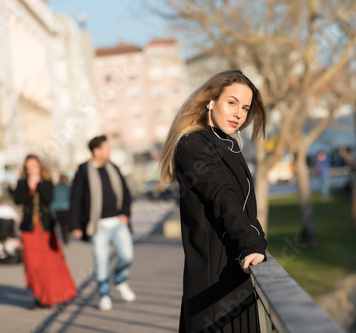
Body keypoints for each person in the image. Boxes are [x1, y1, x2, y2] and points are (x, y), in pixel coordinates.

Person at [159, 70, 268, 332]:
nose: (239, 114)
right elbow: (222, 196)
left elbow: (242, 206)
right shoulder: (193, 144)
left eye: (245, 107)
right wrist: (251, 243)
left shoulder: (226, 144)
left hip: (236, 272)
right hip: (213, 281)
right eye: (231, 103)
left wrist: (254, 242)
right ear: (210, 101)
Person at [69, 135, 135, 311]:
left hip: (118, 221)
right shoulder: (83, 171)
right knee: (101, 261)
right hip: (98, 225)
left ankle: (120, 281)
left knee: (127, 256)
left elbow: (126, 193)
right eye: (106, 148)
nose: (109, 151)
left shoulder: (113, 167)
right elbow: (76, 199)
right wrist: (75, 225)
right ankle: (104, 294)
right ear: (96, 151)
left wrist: (125, 214)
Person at [14, 155, 77, 308]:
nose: (31, 170)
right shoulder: (22, 182)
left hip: (45, 228)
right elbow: (18, 200)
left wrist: (38, 184)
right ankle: (38, 293)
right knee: (32, 263)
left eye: (34, 166)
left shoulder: (47, 182)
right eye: (28, 167)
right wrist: (29, 186)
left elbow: (49, 199)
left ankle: (51, 295)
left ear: (40, 166)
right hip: (29, 228)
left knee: (49, 263)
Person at [50, 175, 72, 245]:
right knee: (66, 224)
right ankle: (66, 238)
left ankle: (62, 237)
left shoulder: (55, 188)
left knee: (60, 224)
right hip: (66, 207)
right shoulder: (67, 187)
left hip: (56, 208)